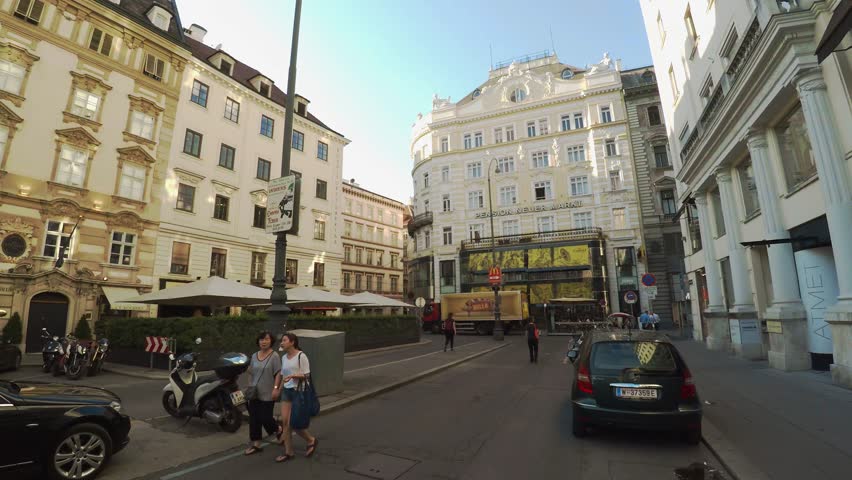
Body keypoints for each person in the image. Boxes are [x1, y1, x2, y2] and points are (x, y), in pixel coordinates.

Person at [275, 333, 318, 463]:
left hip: (299, 392)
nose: (281, 343)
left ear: (292, 342)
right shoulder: (284, 358)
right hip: (287, 392)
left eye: (284, 340)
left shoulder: (301, 356)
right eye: (281, 341)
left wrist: (293, 376)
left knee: (294, 423)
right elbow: (283, 375)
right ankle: (289, 452)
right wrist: (278, 389)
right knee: (285, 422)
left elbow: (306, 375)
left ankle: (311, 440)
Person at [244, 331, 283, 456]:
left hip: (268, 391)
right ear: (258, 342)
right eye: (261, 339)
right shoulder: (254, 356)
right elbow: (250, 372)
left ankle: (277, 429)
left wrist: (276, 388)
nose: (264, 342)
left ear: (271, 341)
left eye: (266, 339)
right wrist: (249, 386)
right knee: (254, 419)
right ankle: (256, 444)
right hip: (255, 392)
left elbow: (278, 373)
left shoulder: (275, 356)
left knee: (265, 417)